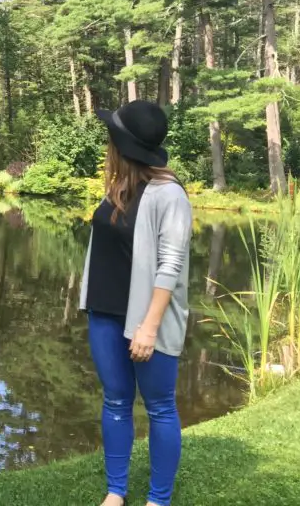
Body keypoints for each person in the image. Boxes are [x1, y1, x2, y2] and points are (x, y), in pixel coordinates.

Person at [79, 100, 192, 506]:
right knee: (114, 400)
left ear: (122, 145)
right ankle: (116, 490)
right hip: (106, 315)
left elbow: (171, 266)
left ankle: (158, 499)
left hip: (147, 320)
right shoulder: (120, 189)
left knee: (160, 406)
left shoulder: (169, 195)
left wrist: (148, 326)